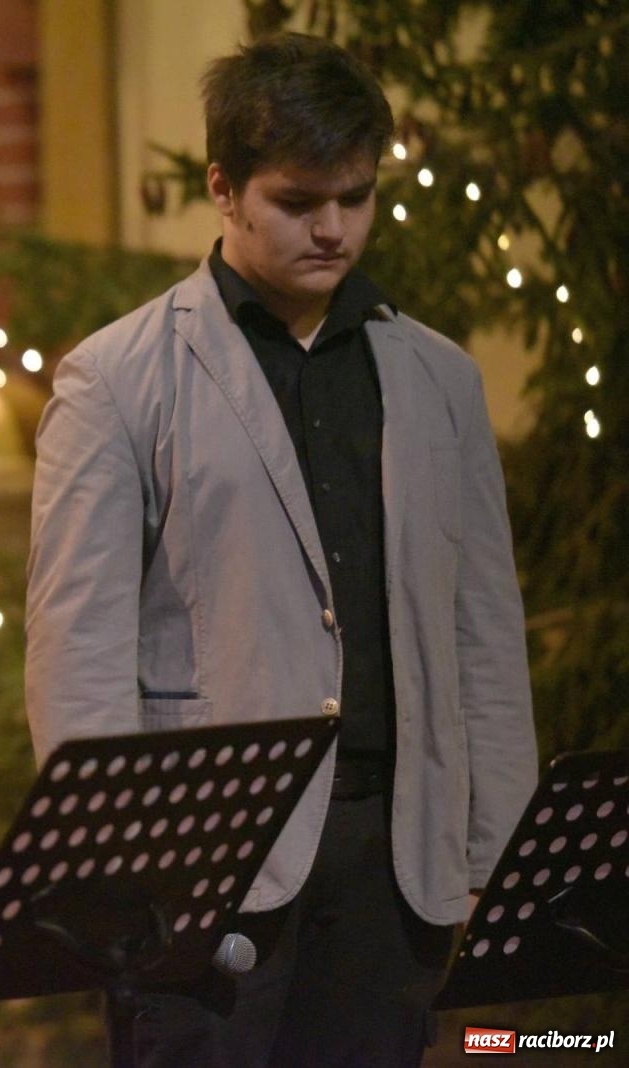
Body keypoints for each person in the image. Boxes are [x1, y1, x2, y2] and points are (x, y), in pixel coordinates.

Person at [26, 32, 538, 1067]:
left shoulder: (437, 376)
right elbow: (76, 651)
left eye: (355, 197)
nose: (334, 227)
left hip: (397, 857)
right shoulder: (118, 378)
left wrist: (498, 859)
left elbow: (483, 632)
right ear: (223, 188)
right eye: (300, 201)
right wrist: (124, 879)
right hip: (205, 866)